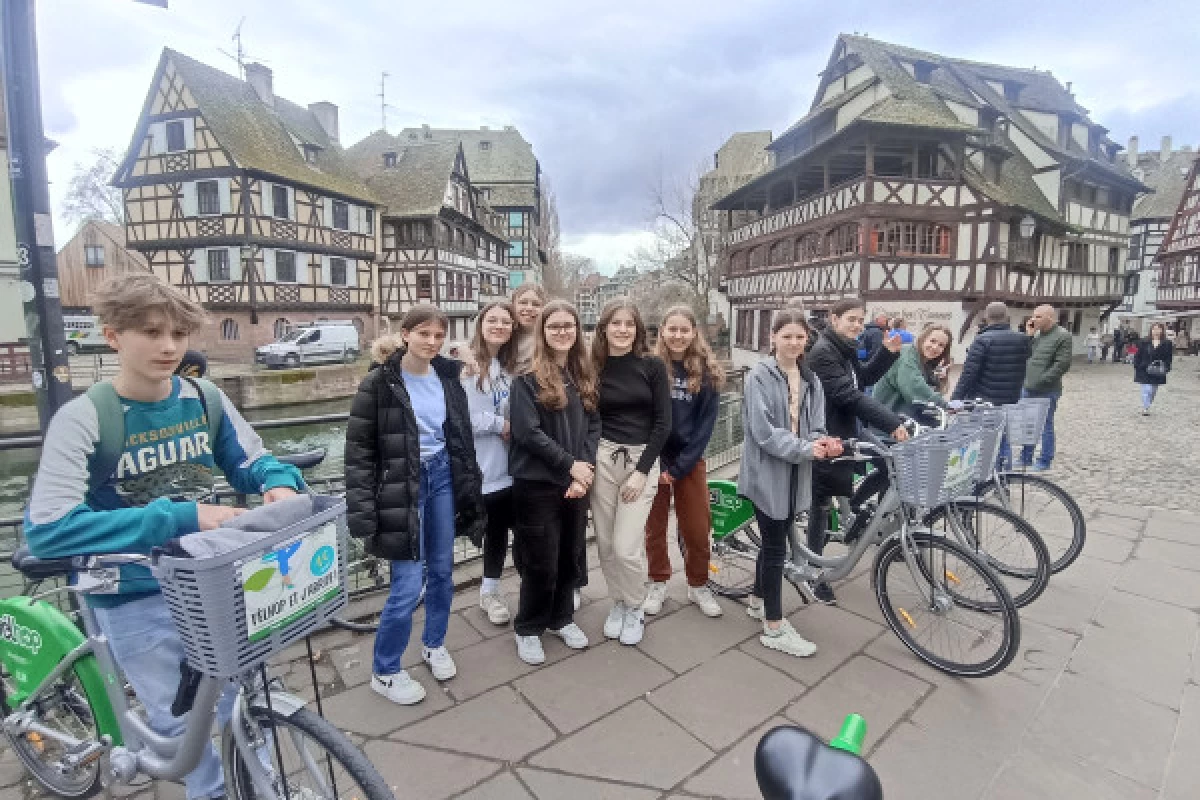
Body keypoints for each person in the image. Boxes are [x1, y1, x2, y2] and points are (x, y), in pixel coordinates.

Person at [24, 273, 304, 800]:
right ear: (113, 337)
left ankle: (260, 787)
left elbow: (251, 460)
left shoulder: (205, 398)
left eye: (178, 333)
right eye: (151, 332)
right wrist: (177, 517)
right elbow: (48, 531)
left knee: (245, 701)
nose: (169, 346)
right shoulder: (83, 419)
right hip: (130, 590)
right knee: (177, 725)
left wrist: (278, 481)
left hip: (207, 579)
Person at [345, 305, 486, 706]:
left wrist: (469, 483)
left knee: (442, 570)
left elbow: (458, 435)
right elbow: (358, 453)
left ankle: (434, 643)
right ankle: (385, 669)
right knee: (406, 585)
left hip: (441, 477)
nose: (432, 342)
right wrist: (363, 513)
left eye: (439, 336)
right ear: (405, 334)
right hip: (400, 487)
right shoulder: (380, 383)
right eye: (424, 333)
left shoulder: (447, 377)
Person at [739, 309, 843, 657]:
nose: (795, 343)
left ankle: (756, 600)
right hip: (767, 472)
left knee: (776, 540)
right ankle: (773, 627)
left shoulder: (810, 379)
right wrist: (806, 448)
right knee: (775, 548)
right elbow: (764, 433)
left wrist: (821, 441)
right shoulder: (758, 377)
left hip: (796, 470)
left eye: (800, 337)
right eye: (787, 337)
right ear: (774, 338)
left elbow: (816, 423)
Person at [508, 300, 600, 664]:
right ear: (543, 332)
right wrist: (571, 465)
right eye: (554, 326)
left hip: (576, 482)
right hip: (538, 483)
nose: (562, 332)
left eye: (568, 326)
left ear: (577, 331)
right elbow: (528, 433)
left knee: (570, 555)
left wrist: (586, 467)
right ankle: (528, 627)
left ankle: (561, 618)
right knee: (540, 560)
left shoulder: (583, 376)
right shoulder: (526, 379)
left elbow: (594, 424)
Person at [807, 298, 906, 604]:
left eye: (860, 320)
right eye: (851, 319)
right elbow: (846, 394)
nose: (857, 325)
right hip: (828, 432)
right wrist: (891, 422)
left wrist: (886, 355)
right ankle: (813, 571)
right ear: (834, 319)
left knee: (887, 460)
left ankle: (857, 512)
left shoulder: (843, 347)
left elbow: (862, 378)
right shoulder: (824, 351)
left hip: (849, 427)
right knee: (820, 502)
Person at [591, 298, 671, 646]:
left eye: (629, 324)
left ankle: (636, 606)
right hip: (604, 457)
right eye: (616, 323)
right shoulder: (593, 365)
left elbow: (663, 422)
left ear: (637, 329)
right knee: (607, 546)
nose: (623, 330)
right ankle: (619, 603)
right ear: (604, 327)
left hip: (640, 460)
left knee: (626, 547)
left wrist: (642, 471)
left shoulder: (651, 366)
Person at [643, 306, 725, 619]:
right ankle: (658, 581)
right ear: (662, 331)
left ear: (694, 333)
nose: (678, 336)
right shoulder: (650, 368)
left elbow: (704, 428)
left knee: (697, 528)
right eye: (672, 329)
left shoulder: (707, 373)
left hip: (689, 460)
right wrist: (655, 464)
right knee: (654, 528)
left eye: (684, 330)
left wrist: (679, 468)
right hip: (653, 459)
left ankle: (698, 583)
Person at [462, 301, 520, 625]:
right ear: (481, 324)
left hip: (514, 467)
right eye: (493, 320)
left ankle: (535, 590)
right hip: (485, 467)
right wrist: (504, 426)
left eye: (506, 321)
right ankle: (490, 592)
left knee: (522, 533)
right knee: (494, 533)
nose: (499, 326)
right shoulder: (467, 364)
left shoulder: (508, 367)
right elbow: (463, 418)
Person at [1021, 304, 1073, 471]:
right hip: (1028, 387)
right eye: (1033, 316)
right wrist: (1028, 336)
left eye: (1038, 317)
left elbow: (1062, 365)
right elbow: (1025, 355)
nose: (1033, 319)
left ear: (1049, 318)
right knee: (1029, 425)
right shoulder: (1036, 335)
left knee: (1045, 425)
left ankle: (1044, 460)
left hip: (1047, 389)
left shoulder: (1063, 336)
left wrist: (1042, 380)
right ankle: (1025, 457)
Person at [951, 301, 1030, 407]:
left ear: (986, 317)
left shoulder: (982, 339)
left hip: (985, 401)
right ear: (1007, 316)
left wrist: (955, 399)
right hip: (1012, 399)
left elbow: (969, 373)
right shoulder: (1023, 339)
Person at [873, 324, 953, 424]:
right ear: (923, 339)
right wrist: (946, 406)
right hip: (888, 424)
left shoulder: (925, 363)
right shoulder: (907, 354)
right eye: (932, 341)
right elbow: (914, 387)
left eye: (941, 345)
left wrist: (937, 378)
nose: (935, 347)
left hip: (906, 422)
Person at [1133, 322, 1173, 416]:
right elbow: (1138, 354)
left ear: (1162, 331)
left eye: (1158, 329)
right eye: (1154, 329)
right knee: (1147, 389)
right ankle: (1145, 407)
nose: (1156, 331)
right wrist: (1137, 365)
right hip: (1144, 368)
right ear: (1151, 330)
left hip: (1158, 370)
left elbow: (1169, 357)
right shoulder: (1144, 342)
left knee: (1153, 391)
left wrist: (1167, 367)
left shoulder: (1167, 343)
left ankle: (1148, 404)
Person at [511, 284, 548, 374]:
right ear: (513, 305)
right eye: (523, 302)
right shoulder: (503, 334)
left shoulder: (549, 339)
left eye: (536, 304)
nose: (529, 308)